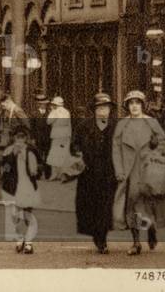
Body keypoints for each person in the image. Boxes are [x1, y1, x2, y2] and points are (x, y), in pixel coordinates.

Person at [113, 90, 165, 255]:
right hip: (129, 173)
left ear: (143, 106)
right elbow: (115, 149)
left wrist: (155, 152)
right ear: (127, 106)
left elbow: (164, 142)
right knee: (132, 206)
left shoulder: (151, 122)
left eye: (138, 103)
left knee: (149, 204)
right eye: (131, 103)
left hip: (148, 171)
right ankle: (136, 242)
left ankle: (151, 229)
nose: (134, 106)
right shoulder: (122, 124)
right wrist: (119, 170)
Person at [72, 92, 117, 254]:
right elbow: (74, 144)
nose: (103, 111)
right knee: (90, 206)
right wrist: (78, 155)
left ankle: (102, 238)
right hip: (88, 173)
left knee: (106, 206)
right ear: (94, 110)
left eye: (106, 107)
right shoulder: (84, 126)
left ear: (110, 109)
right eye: (100, 108)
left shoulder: (116, 126)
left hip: (109, 173)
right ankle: (96, 235)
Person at [2, 124, 42, 254]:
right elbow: (6, 169)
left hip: (28, 187)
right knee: (15, 217)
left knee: (28, 216)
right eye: (17, 137)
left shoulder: (31, 150)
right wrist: (13, 156)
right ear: (13, 138)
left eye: (22, 137)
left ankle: (28, 243)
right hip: (13, 188)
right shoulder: (8, 151)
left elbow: (38, 170)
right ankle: (20, 241)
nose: (20, 140)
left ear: (26, 138)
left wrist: (31, 163)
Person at [46, 96, 72, 181]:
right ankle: (62, 175)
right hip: (65, 136)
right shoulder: (67, 112)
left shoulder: (55, 112)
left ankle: (54, 174)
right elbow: (69, 124)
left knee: (54, 154)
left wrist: (52, 111)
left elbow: (48, 121)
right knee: (63, 154)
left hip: (57, 136)